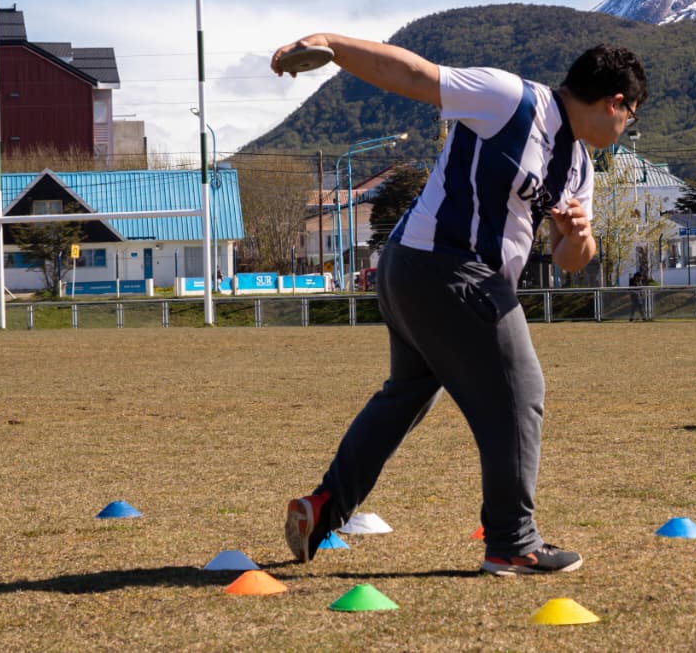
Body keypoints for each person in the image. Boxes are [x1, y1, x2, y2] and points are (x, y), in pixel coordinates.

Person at [272, 33, 646, 575]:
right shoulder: (511, 99)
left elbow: (571, 260)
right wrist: (333, 44)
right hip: (449, 267)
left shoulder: (580, 167)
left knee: (406, 396)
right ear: (616, 102)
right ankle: (513, 543)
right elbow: (415, 76)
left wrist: (577, 234)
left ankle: (324, 507)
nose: (626, 128)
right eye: (630, 116)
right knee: (521, 392)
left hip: (411, 270)